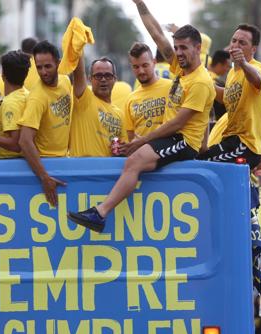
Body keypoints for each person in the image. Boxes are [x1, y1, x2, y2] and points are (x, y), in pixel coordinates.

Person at [68, 0, 215, 232]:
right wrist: (139, 4)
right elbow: (156, 33)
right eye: (176, 48)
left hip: (184, 141)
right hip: (172, 138)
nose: (178, 53)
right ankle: (99, 212)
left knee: (134, 161)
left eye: (184, 48)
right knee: (132, 158)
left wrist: (142, 141)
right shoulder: (181, 69)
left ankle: (101, 213)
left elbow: (178, 123)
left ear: (198, 48)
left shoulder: (201, 81)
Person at [199, 24, 261, 172]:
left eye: (242, 42)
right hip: (231, 142)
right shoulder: (232, 73)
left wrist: (244, 63)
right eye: (234, 41)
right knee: (198, 160)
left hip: (245, 145)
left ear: (253, 49)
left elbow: (256, 79)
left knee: (200, 164)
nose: (236, 45)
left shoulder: (257, 68)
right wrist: (204, 83)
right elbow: (225, 96)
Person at [17, 41, 72, 207]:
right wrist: (44, 177)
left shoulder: (65, 81)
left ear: (58, 63)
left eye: (48, 66)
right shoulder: (37, 97)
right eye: (39, 67)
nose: (43, 72)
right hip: (46, 166)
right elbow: (24, 141)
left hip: (67, 161)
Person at [69, 56, 127, 157]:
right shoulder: (84, 98)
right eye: (98, 76)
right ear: (90, 79)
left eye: (108, 75)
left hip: (109, 170)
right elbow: (78, 72)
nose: (103, 79)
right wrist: (77, 48)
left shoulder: (120, 114)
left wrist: (123, 149)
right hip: (84, 169)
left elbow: (125, 147)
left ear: (115, 79)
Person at [122, 42, 173, 141]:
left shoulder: (171, 88)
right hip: (141, 153)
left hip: (168, 151)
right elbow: (130, 136)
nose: (141, 71)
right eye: (136, 67)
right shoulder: (130, 99)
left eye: (145, 65)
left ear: (154, 63)